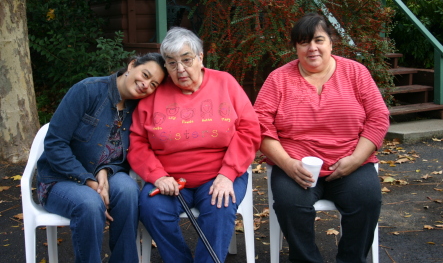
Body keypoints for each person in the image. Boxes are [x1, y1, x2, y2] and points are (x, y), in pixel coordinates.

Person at [253, 13, 390, 263]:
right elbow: (260, 125)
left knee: (367, 201)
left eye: (318, 40)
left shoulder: (356, 73)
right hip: (296, 166)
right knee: (289, 204)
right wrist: (287, 164)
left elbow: (378, 117)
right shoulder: (279, 78)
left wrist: (356, 159)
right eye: (304, 42)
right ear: (295, 47)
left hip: (351, 162)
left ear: (331, 42)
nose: (312, 48)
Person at [128, 27, 261, 263]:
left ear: (201, 58)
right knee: (151, 208)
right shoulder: (155, 92)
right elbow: (137, 141)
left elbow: (249, 130)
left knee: (220, 205)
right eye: (171, 63)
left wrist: (228, 173)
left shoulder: (225, 83)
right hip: (170, 179)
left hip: (218, 174)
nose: (180, 69)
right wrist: (157, 175)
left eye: (186, 60)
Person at [36, 53, 167, 263]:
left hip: (105, 175)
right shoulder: (87, 90)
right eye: (145, 74)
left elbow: (127, 154)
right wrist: (89, 180)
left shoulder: (137, 108)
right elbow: (55, 143)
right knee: (89, 203)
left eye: (153, 84)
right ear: (132, 65)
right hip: (59, 178)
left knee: (128, 191)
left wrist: (105, 170)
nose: (145, 85)